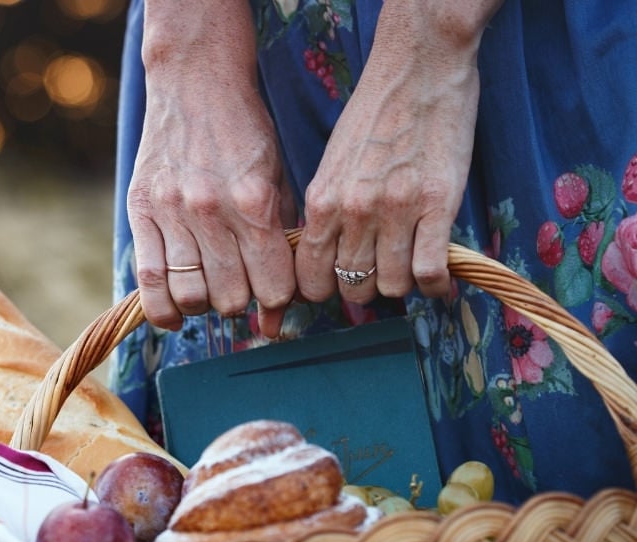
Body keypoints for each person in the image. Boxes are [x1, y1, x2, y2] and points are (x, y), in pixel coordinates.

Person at [109, 0, 637, 504]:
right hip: (246, 64)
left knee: (588, 524)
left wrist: (428, 43)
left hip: (523, 39)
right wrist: (185, 56)